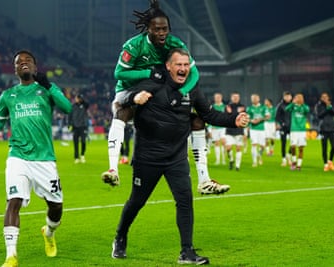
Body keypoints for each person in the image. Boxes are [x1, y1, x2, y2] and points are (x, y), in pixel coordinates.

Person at [111, 48, 249, 265]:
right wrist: (134, 97)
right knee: (137, 202)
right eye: (179, 64)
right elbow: (123, 99)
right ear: (168, 66)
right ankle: (120, 236)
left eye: (186, 64)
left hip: (176, 158)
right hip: (148, 158)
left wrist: (234, 120)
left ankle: (187, 252)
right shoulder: (153, 83)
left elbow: (209, 114)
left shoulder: (191, 89)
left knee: (185, 201)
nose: (183, 68)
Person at [102, 0, 225, 196]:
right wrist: (148, 73)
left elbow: (194, 73)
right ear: (148, 29)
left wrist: (183, 91)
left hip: (159, 96)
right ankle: (113, 169)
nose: (162, 33)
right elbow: (119, 74)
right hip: (130, 93)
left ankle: (204, 180)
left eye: (165, 29)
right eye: (157, 29)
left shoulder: (175, 44)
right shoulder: (134, 46)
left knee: (198, 121)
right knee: (121, 110)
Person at [0, 50, 73, 267]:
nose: (24, 64)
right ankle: (11, 256)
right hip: (18, 156)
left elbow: (67, 108)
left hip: (44, 158)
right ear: (15, 69)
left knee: (56, 206)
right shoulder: (8, 96)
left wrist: (49, 86)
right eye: (19, 62)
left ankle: (48, 232)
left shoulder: (45, 91)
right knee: (13, 201)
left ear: (35, 68)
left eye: (28, 61)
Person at [285, 93, 310, 170]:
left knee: (301, 148)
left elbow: (307, 110)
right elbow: (286, 109)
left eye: (299, 98)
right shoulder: (293, 106)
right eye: (296, 97)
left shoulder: (305, 107)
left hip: (302, 130)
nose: (298, 99)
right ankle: (294, 162)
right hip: (294, 130)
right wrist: (292, 103)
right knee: (293, 147)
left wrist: (302, 104)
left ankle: (299, 165)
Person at [315, 92, 334, 171]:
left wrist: (329, 107)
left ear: (328, 98)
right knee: (324, 148)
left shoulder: (331, 105)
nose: (325, 98)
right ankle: (325, 164)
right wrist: (326, 109)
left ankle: (330, 161)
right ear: (321, 98)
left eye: (326, 97)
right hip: (323, 129)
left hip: (332, 128)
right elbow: (319, 115)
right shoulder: (318, 106)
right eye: (323, 97)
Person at [246, 94, 269, 167]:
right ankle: (254, 161)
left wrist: (260, 119)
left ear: (259, 99)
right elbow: (247, 118)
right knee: (254, 144)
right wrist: (251, 121)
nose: (254, 99)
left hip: (261, 128)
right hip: (253, 129)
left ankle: (259, 154)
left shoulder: (263, 107)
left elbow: (268, 117)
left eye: (255, 98)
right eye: (252, 98)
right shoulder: (249, 108)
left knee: (263, 146)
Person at [225, 92, 246, 171]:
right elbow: (226, 117)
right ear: (231, 98)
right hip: (229, 130)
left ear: (239, 98)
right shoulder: (227, 106)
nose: (235, 98)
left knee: (238, 148)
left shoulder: (243, 107)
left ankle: (237, 166)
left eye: (237, 97)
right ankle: (231, 160)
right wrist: (235, 113)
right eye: (234, 97)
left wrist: (232, 113)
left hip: (239, 130)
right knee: (228, 148)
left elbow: (243, 118)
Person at [69, 94, 89, 164]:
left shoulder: (84, 105)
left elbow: (87, 104)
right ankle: (76, 157)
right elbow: (70, 116)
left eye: (79, 98)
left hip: (83, 126)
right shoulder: (73, 106)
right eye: (77, 98)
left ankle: (82, 155)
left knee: (83, 142)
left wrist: (82, 100)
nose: (77, 99)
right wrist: (69, 124)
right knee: (76, 143)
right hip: (75, 127)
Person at [208, 92, 227, 165]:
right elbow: (209, 118)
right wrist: (209, 129)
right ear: (214, 98)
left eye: (219, 97)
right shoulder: (212, 107)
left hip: (223, 128)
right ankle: (218, 160)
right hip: (215, 128)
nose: (217, 98)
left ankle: (224, 159)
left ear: (221, 98)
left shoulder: (225, 107)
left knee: (223, 142)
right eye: (216, 97)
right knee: (217, 143)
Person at [275, 91, 293, 166]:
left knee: (293, 142)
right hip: (283, 127)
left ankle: (289, 155)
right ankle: (283, 159)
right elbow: (277, 117)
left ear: (291, 97)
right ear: (284, 97)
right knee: (283, 143)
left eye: (289, 96)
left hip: (292, 126)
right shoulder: (280, 105)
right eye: (286, 96)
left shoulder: (293, 105)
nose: (288, 98)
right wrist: (280, 124)